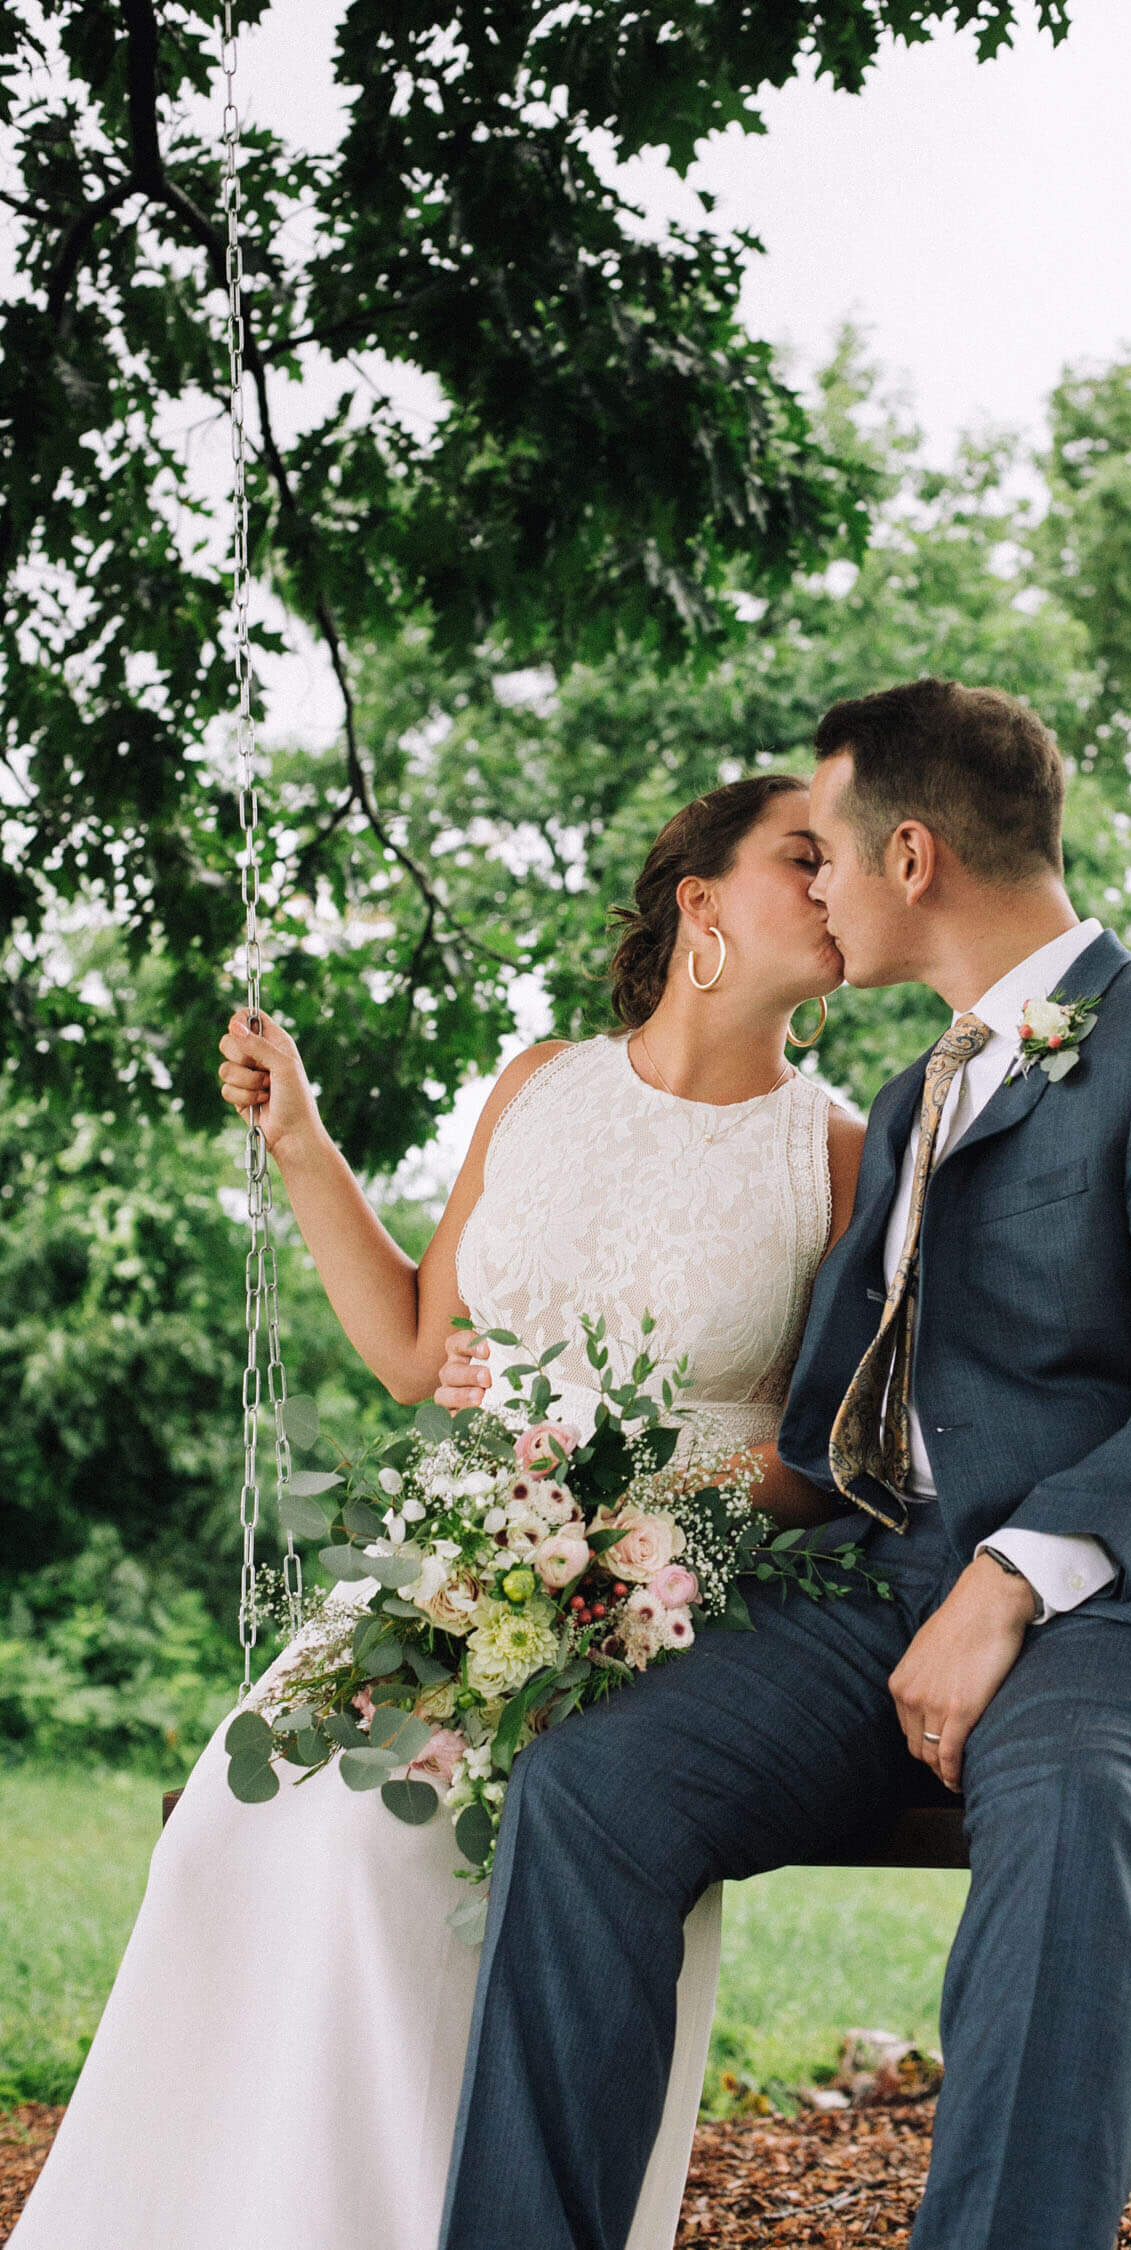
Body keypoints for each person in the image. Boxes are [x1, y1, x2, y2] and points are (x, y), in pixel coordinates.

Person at [435, 677, 1131, 2250]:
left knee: (1072, 1796)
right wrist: (595, 1482)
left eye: (832, 856)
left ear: (914, 857)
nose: (821, 890)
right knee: (591, 1785)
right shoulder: (913, 1089)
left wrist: (1012, 1577)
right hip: (883, 1597)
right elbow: (825, 1424)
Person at [11, 771, 863, 2250]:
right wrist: (300, 1139)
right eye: (807, 857)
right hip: (462, 1555)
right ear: (701, 901)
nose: (841, 884)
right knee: (232, 1819)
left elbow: (831, 1451)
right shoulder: (544, 1083)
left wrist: (648, 1513)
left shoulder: (837, 1149)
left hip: (657, 1594)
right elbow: (415, 1345)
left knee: (386, 1854)